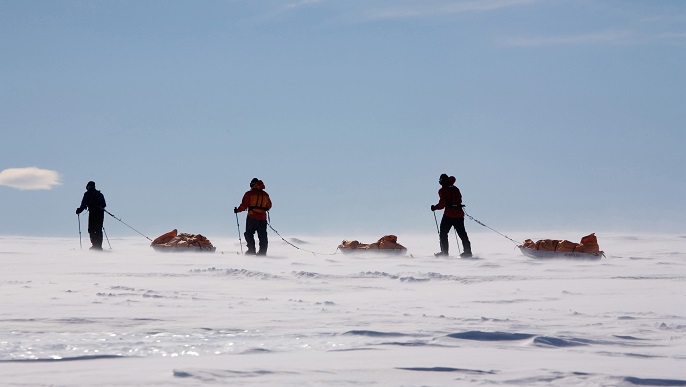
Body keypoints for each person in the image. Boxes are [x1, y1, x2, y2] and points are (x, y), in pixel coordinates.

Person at [431, 173, 472, 257]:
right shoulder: (455, 188)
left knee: (443, 233)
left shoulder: (443, 190)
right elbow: (459, 199)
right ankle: (468, 252)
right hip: (459, 214)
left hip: (449, 215)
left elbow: (442, 204)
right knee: (462, 234)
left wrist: (434, 207)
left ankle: (444, 253)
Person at [234, 178, 272, 255]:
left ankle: (251, 250)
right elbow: (269, 205)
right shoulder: (265, 195)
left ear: (252, 184)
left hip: (252, 217)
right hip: (262, 218)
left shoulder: (249, 193)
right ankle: (262, 253)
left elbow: (244, 205)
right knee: (262, 236)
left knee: (249, 234)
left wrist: (237, 210)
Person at [76, 181, 107, 250]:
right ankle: (98, 246)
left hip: (93, 213)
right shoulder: (99, 194)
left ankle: (95, 245)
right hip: (100, 213)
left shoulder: (87, 194)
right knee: (98, 229)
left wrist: (79, 210)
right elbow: (104, 204)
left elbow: (83, 204)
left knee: (92, 229)